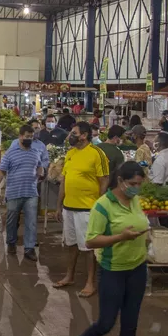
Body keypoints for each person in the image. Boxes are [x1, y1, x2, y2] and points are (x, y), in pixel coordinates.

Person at [66, 161, 151, 336]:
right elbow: (91, 240)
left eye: (139, 184)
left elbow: (139, 223)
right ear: (121, 181)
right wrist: (120, 238)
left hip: (137, 269)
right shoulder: (102, 206)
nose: (136, 188)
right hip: (113, 270)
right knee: (106, 323)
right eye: (132, 184)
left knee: (130, 324)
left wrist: (145, 238)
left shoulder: (134, 200)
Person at [55, 122, 111, 297]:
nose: (70, 135)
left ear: (84, 135)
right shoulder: (70, 153)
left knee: (88, 247)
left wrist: (98, 205)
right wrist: (58, 206)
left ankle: (90, 283)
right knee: (71, 244)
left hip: (87, 209)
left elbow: (105, 181)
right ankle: (69, 276)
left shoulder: (97, 153)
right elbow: (64, 181)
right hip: (69, 207)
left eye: (74, 132)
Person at [0, 125, 44, 261]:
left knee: (31, 221)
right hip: (14, 192)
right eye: (27, 136)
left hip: (31, 192)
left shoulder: (35, 152)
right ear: (20, 136)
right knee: (11, 220)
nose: (29, 139)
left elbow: (39, 167)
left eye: (31, 137)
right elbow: (1, 171)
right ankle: (11, 243)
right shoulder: (11, 153)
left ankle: (29, 248)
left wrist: (41, 172)